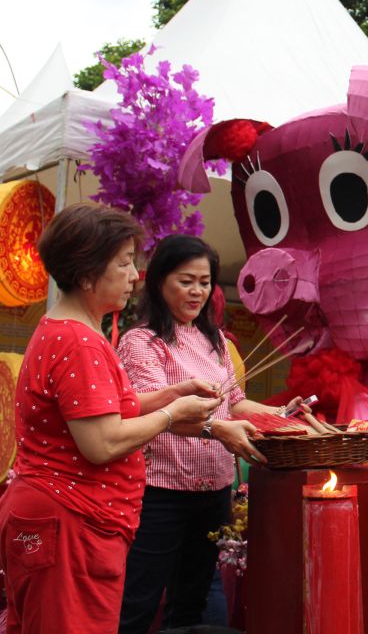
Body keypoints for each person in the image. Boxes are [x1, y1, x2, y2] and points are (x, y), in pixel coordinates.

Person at [0, 204, 221, 634]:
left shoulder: (64, 328)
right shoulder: (80, 342)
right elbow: (102, 443)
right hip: (67, 520)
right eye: (124, 263)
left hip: (54, 514)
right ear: (86, 274)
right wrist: (173, 415)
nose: (134, 275)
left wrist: (170, 394)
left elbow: (101, 411)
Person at [117, 235, 308, 634]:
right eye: (186, 281)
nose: (197, 291)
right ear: (159, 282)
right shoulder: (141, 342)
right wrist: (218, 429)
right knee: (139, 598)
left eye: (204, 282)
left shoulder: (215, 339)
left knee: (192, 601)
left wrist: (283, 413)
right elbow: (155, 410)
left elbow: (234, 403)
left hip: (213, 489)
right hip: (162, 490)